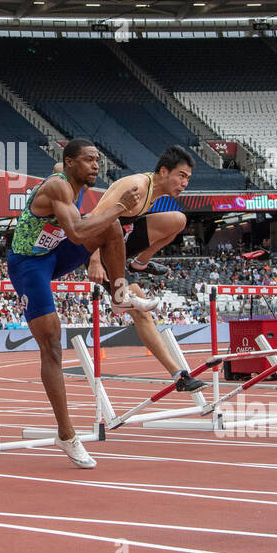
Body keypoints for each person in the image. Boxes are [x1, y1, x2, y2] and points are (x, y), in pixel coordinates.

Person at [7, 139, 151, 469]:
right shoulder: (58, 188)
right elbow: (74, 232)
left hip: (54, 255)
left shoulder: (71, 183)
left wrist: (114, 216)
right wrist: (119, 206)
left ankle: (119, 296)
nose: (96, 166)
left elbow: (84, 225)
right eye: (89, 161)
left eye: (97, 160)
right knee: (52, 344)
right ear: (70, 162)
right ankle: (66, 434)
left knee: (112, 227)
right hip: (29, 264)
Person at [82, 146, 206, 393]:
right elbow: (92, 217)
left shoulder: (154, 191)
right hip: (101, 247)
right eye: (181, 176)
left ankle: (139, 263)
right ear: (163, 171)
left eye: (188, 178)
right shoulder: (137, 187)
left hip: (122, 239)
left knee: (178, 220)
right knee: (139, 307)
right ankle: (178, 374)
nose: (185, 183)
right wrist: (94, 261)